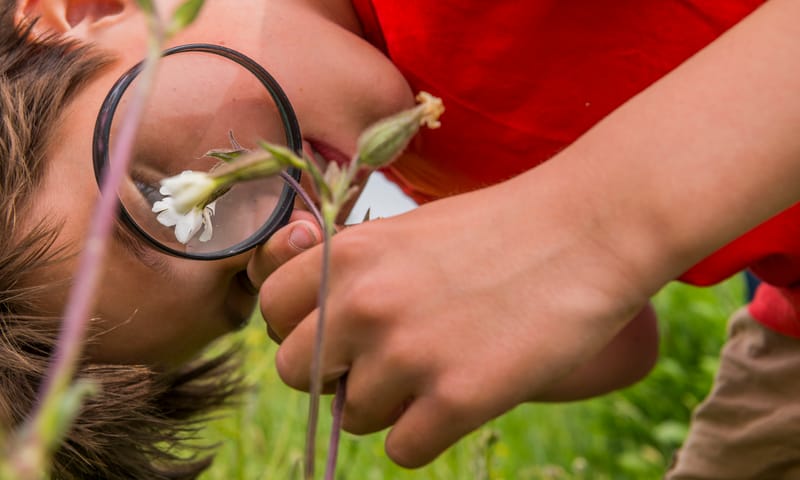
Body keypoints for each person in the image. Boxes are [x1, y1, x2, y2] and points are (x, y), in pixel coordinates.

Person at [3, 0, 799, 478]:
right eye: (245, 282)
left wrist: (591, 231)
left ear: (84, 9)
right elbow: (623, 343)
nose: (281, 221)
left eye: (158, 196)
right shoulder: (408, 132)